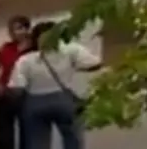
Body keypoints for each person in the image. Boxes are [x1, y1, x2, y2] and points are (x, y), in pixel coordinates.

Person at [7, 21, 102, 149]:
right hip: (64, 100)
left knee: (37, 143)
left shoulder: (25, 60)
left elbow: (17, 89)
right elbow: (96, 64)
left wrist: (20, 105)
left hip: (35, 102)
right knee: (73, 140)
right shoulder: (71, 50)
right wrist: (74, 67)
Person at [0, 15, 31, 149]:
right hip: (6, 94)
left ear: (27, 29)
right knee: (4, 136)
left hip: (26, 95)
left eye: (18, 28)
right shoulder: (5, 49)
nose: (14, 33)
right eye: (11, 30)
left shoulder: (34, 49)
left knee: (28, 133)